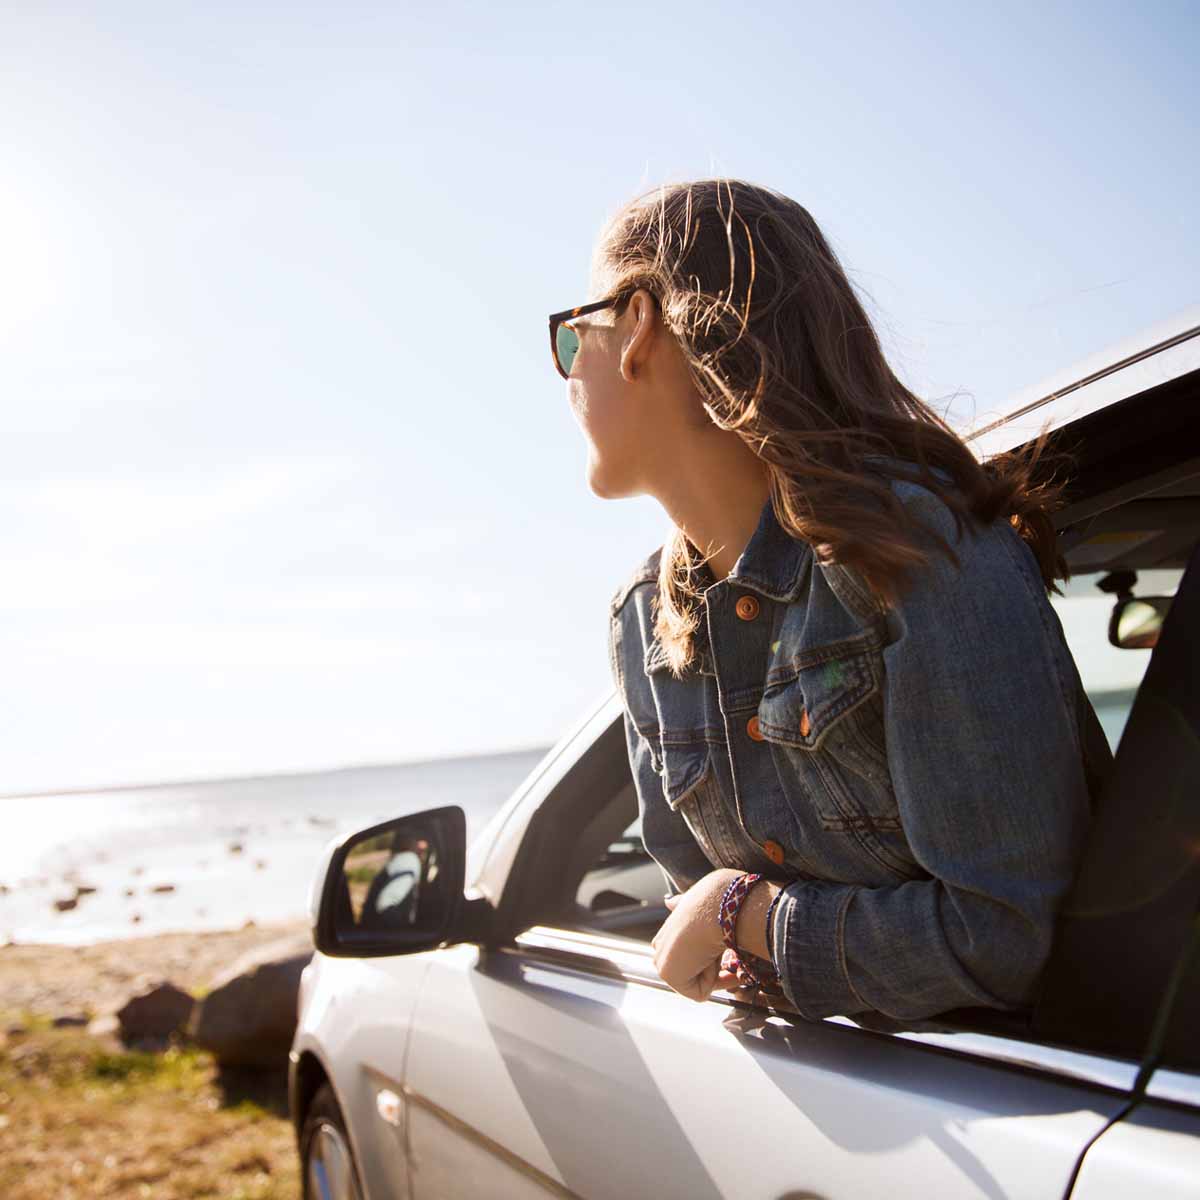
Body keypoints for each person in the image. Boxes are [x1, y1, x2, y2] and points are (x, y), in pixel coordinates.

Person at [548, 178, 1113, 1027]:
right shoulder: (642, 627)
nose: (565, 379)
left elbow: (1005, 938)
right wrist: (737, 925)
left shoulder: (914, 549)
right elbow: (693, 926)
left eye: (568, 340)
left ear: (637, 326)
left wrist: (747, 910)